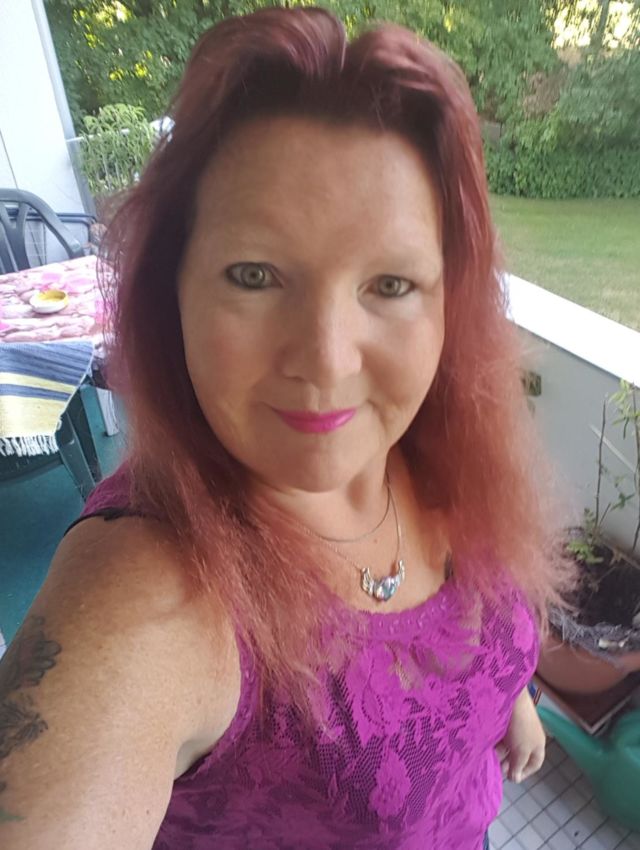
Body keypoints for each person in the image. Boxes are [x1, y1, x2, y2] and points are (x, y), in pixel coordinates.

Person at [0, 7, 573, 849]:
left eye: (390, 285)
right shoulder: (145, 589)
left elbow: (481, 621)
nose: (327, 360)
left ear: (448, 303)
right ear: (171, 291)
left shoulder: (443, 446)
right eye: (255, 274)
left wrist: (505, 700)